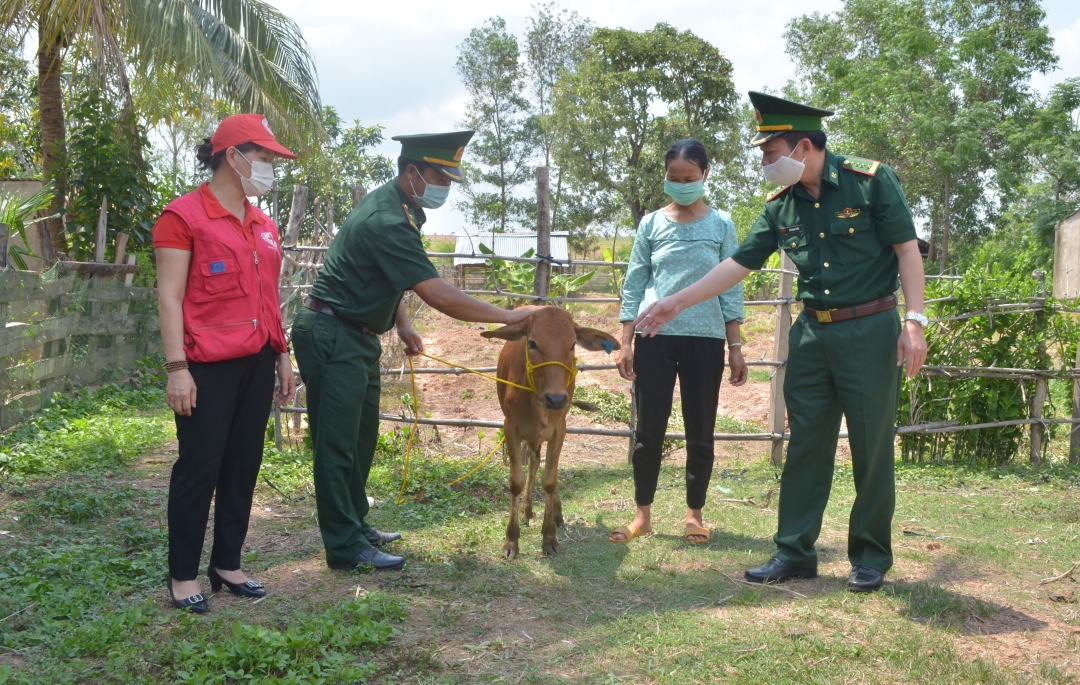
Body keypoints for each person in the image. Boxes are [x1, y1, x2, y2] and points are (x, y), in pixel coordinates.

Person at [634, 92, 928, 593]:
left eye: (771, 155)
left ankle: (870, 557)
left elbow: (906, 248)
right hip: (812, 334)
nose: (765, 165)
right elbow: (738, 264)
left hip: (870, 328)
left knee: (870, 445)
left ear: (805, 147)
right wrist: (676, 302)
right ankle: (794, 552)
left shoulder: (870, 181)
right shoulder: (780, 206)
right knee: (805, 444)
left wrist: (915, 322)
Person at [292, 130, 534, 572]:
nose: (445, 187)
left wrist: (401, 322)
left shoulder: (404, 209)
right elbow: (439, 294)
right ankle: (343, 546)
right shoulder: (386, 219)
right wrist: (509, 316)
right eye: (440, 176)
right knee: (336, 443)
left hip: (356, 334)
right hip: (332, 333)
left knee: (360, 440)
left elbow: (391, 276)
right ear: (411, 172)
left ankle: (354, 523)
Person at [154, 114, 298, 612]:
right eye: (262, 158)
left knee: (243, 462)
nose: (268, 169)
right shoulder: (183, 217)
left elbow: (269, 295)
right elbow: (169, 298)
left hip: (258, 361)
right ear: (233, 157)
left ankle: (227, 564)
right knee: (200, 466)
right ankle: (182, 576)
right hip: (206, 367)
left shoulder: (264, 224)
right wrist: (177, 369)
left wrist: (282, 353)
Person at [611, 139, 747, 546]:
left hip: (705, 341)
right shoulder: (651, 224)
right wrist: (626, 341)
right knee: (648, 431)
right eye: (674, 178)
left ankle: (694, 515)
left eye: (689, 178)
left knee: (700, 431)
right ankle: (642, 516)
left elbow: (731, 291)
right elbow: (634, 283)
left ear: (706, 175)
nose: (682, 184)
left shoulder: (722, 225)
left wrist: (735, 346)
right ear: (665, 176)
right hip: (654, 338)